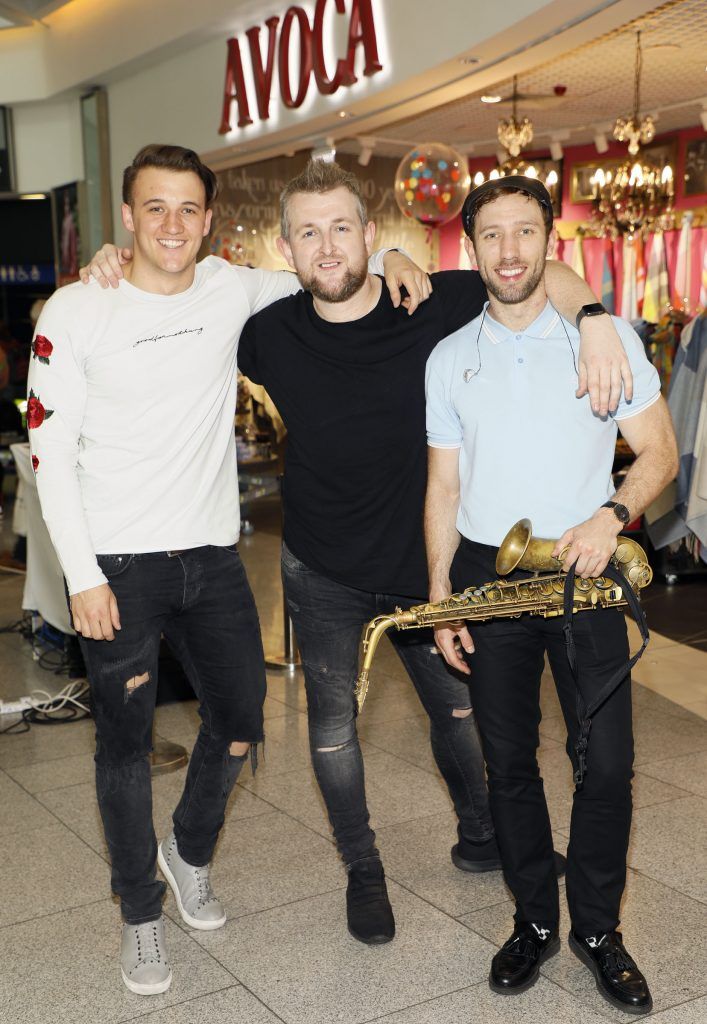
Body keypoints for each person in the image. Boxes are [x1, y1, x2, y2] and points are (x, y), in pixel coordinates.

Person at [84, 160, 632, 947]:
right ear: (286, 248)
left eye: (342, 228)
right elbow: (166, 292)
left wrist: (596, 321)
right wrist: (109, 261)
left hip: (420, 561)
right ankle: (362, 871)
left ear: (371, 236)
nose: (326, 246)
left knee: (460, 715)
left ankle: (484, 835)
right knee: (333, 733)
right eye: (307, 233)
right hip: (322, 570)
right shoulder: (264, 329)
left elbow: (542, 270)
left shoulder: (434, 298)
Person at [28, 143, 425, 997]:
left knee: (241, 726)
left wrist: (391, 252)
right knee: (125, 751)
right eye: (153, 208)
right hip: (119, 567)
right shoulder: (74, 309)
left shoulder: (232, 287)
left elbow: (330, 268)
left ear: (208, 222)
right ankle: (139, 916)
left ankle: (189, 852)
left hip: (210, 557)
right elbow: (49, 455)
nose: (171, 225)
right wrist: (83, 575)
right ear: (126, 218)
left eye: (187, 210)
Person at [424, 176, 677, 1014]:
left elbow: (659, 454)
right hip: (489, 578)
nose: (507, 251)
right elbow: (441, 487)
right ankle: (533, 919)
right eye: (490, 235)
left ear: (548, 243)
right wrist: (439, 597)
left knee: (604, 765)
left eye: (524, 233)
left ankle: (598, 930)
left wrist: (611, 516)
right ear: (470, 247)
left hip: (585, 574)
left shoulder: (602, 344)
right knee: (507, 767)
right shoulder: (448, 357)